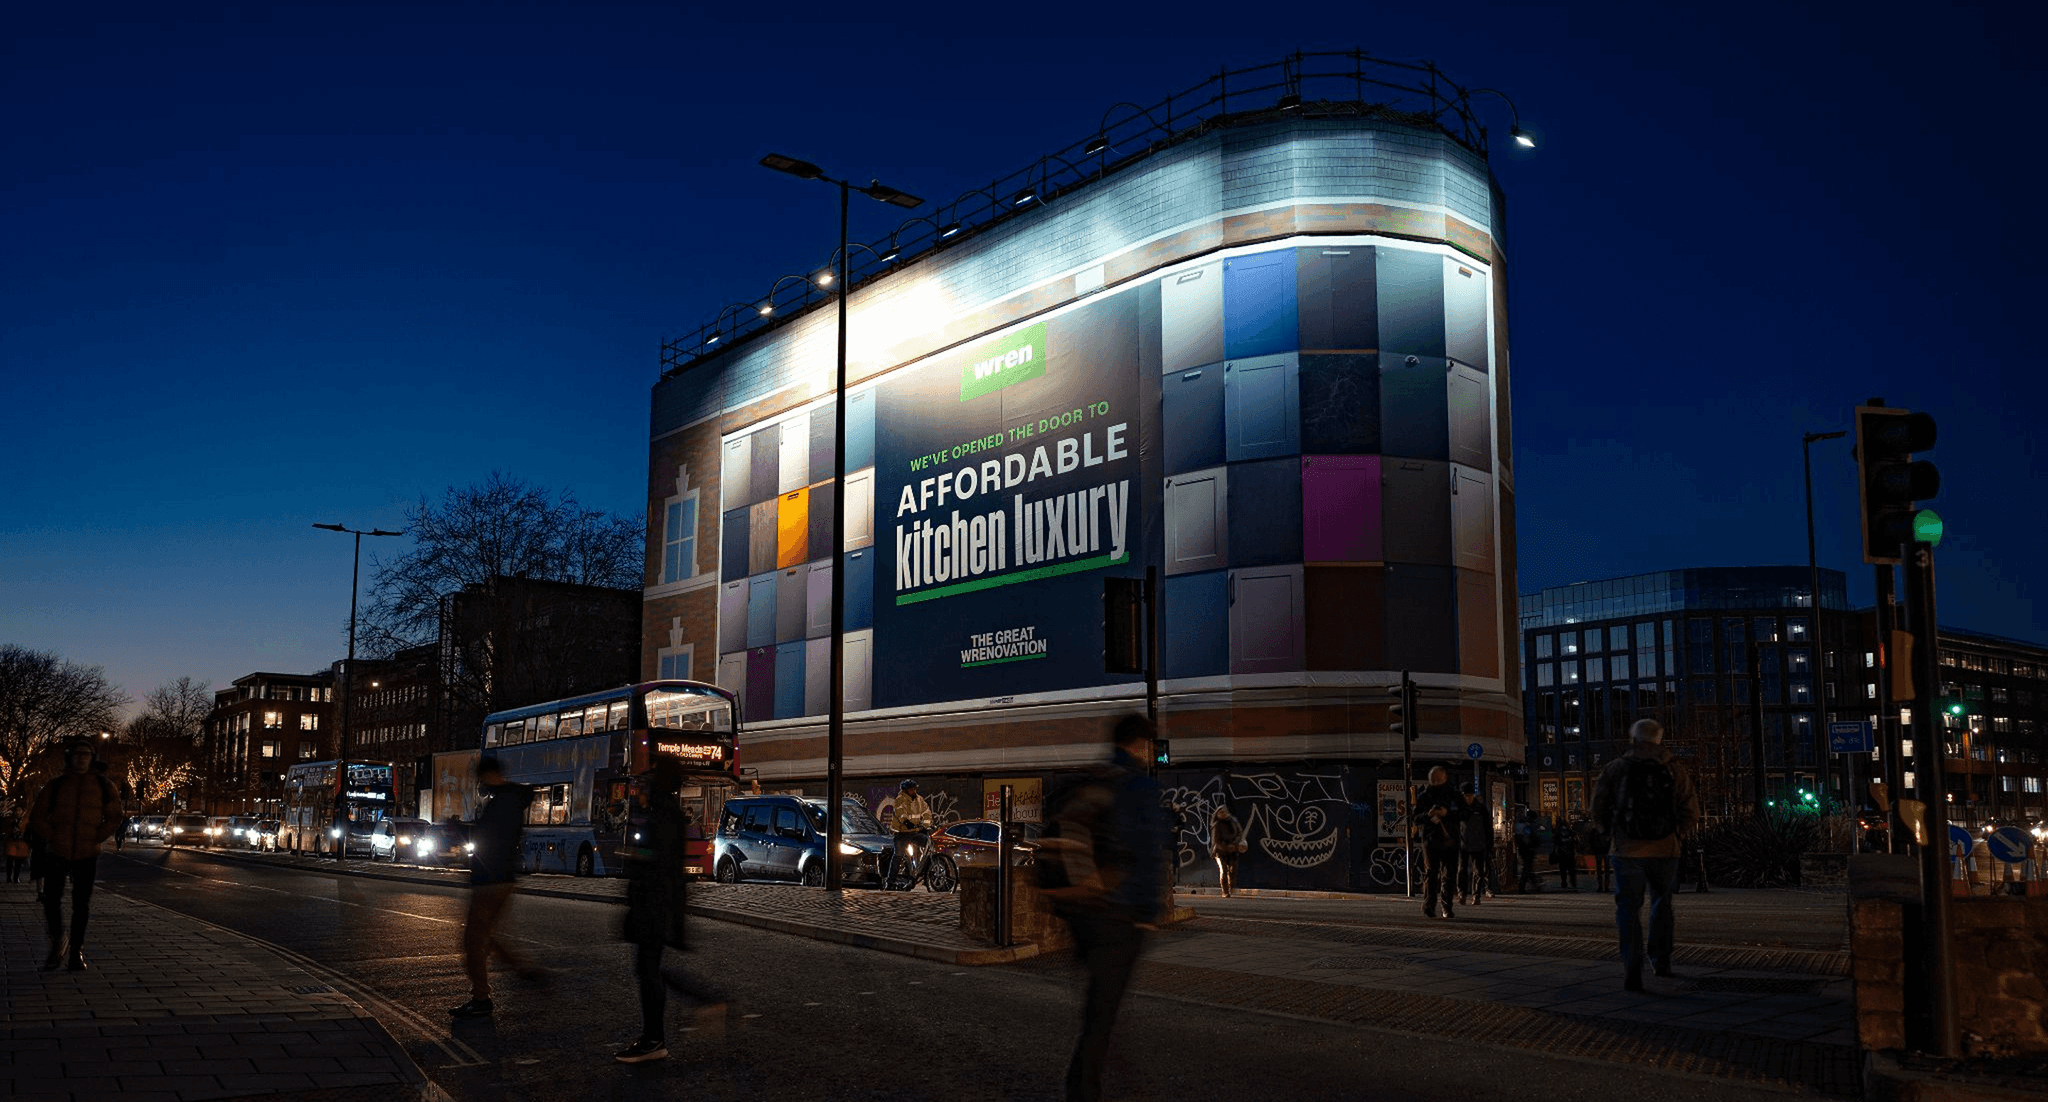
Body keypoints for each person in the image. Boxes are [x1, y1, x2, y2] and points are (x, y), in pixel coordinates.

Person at [1040, 714, 1169, 1102]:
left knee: (1101, 1010)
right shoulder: (1137, 786)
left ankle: (1089, 1084)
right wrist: (1148, 914)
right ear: (1141, 744)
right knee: (1103, 1015)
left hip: (1081, 914)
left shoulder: (1093, 778)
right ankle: (1084, 1090)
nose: (1151, 754)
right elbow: (1147, 851)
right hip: (1117, 913)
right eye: (1150, 746)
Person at [614, 755, 727, 1064]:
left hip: (654, 904)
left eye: (650, 779)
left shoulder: (662, 814)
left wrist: (635, 854)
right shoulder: (668, 812)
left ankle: (656, 1038)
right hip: (659, 902)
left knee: (649, 970)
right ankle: (668, 1027)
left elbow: (659, 859)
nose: (644, 786)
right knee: (650, 969)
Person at [1591, 718, 1702, 992]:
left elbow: (1598, 808)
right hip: (1666, 849)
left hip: (1627, 850)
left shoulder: (1616, 768)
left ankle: (1631, 967)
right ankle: (1661, 961)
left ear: (1634, 739)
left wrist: (1611, 833)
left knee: (1628, 910)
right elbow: (1691, 809)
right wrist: (1677, 834)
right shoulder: (1674, 769)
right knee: (1661, 904)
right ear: (1659, 740)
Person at [449, 757, 543, 1018]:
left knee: (472, 941)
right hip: (501, 878)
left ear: (489, 774)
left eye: (481, 778)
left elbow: (487, 837)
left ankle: (481, 998)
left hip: (490, 880)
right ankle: (523, 970)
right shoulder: (511, 798)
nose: (480, 783)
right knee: (486, 936)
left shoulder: (502, 802)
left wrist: (458, 829)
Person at [27, 738, 124, 971]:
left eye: (86, 754)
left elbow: (114, 816)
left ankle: (76, 952)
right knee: (51, 901)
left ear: (92, 758)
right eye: (77, 754)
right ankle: (58, 942)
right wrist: (52, 836)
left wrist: (96, 836)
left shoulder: (103, 785)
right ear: (70, 758)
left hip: (87, 852)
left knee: (81, 905)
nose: (81, 759)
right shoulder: (56, 785)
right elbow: (37, 816)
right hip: (57, 851)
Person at [1411, 766, 1467, 919]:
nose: (1435, 782)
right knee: (1432, 872)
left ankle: (1446, 906)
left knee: (1448, 874)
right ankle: (1431, 905)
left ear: (1444, 778)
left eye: (1438, 779)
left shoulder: (1454, 795)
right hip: (1432, 839)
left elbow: (1464, 813)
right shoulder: (1425, 796)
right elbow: (1415, 817)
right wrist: (1428, 815)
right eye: (1433, 780)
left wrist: (1447, 813)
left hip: (1449, 838)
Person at [887, 778, 934, 887]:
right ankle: (890, 881)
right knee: (897, 855)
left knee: (928, 845)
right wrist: (906, 822)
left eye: (914, 789)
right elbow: (900, 812)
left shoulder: (919, 800)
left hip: (915, 832)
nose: (913, 791)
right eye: (911, 789)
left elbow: (927, 813)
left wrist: (926, 825)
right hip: (902, 832)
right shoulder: (900, 799)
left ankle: (925, 875)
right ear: (905, 790)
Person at [1457, 783, 1493, 905]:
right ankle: (1462, 894)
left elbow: (1488, 827)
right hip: (1463, 844)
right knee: (1462, 871)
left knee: (1478, 871)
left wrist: (1489, 844)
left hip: (1479, 844)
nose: (1468, 798)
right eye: (1465, 796)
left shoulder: (1481, 809)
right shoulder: (1459, 809)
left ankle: (1476, 895)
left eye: (1469, 795)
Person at [1210, 804, 1244, 897]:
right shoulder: (1217, 824)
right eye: (1220, 813)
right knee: (1224, 870)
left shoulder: (1233, 821)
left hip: (1232, 850)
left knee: (1232, 870)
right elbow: (1215, 840)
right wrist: (1223, 847)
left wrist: (1234, 844)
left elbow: (1239, 833)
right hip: (1221, 851)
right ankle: (1225, 891)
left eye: (1223, 812)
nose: (1222, 814)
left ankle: (1231, 886)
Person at [1513, 807, 1544, 892]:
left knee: (1528, 868)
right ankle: (1523, 887)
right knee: (1527, 868)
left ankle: (1532, 884)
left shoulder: (1521, 824)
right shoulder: (1528, 825)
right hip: (1527, 849)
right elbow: (1528, 837)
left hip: (1523, 848)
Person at [1582, 815, 1613, 893]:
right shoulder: (1606, 829)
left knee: (1601, 869)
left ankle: (1602, 886)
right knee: (1605, 870)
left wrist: (1592, 848)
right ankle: (1605, 886)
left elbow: (1591, 840)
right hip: (1604, 850)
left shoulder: (1595, 830)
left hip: (1600, 850)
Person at [3, 804, 30, 883]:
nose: (18, 812)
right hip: (12, 842)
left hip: (21, 842)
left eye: (19, 810)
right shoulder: (11, 820)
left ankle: (15, 877)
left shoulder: (25, 820)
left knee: (18, 861)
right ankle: (9, 877)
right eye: (17, 810)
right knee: (10, 860)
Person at [1552, 814, 1580, 890]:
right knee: (1571, 869)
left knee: (1563, 869)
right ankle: (1573, 882)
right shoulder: (1569, 831)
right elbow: (1575, 840)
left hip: (1562, 853)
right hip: (1570, 853)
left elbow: (1555, 842)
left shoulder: (1558, 832)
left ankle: (1564, 882)